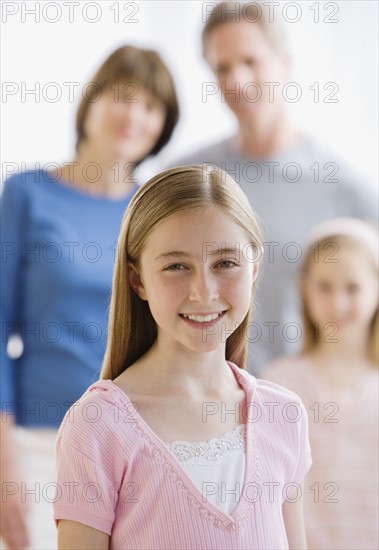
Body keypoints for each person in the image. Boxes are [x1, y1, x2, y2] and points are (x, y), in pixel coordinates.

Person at [54, 165, 312, 549]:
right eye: (176, 266)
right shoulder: (97, 427)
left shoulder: (284, 415)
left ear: (254, 268)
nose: (203, 292)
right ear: (137, 280)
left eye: (225, 263)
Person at [0, 45, 179, 550]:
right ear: (91, 101)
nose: (132, 115)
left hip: (132, 442)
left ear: (161, 127)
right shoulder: (27, 193)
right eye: (121, 97)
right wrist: (3, 462)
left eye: (150, 106)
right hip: (38, 439)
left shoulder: (155, 214)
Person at [173, 1, 378, 373]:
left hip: (305, 407)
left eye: (251, 61)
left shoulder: (345, 188)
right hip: (206, 398)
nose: (236, 80)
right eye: (223, 67)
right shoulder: (188, 178)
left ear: (285, 64)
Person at [263, 218, 378, 549]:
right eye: (324, 287)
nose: (338, 303)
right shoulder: (280, 383)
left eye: (353, 288)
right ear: (304, 287)